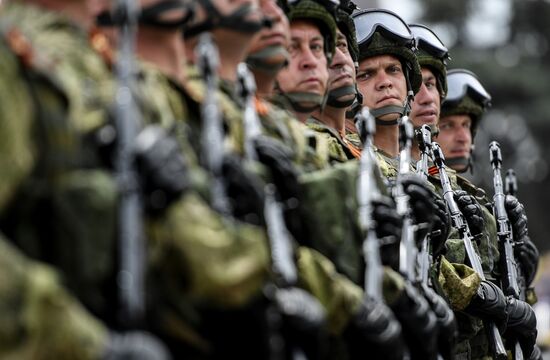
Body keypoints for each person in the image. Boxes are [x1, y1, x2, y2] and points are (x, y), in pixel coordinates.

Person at [438, 69, 541, 359]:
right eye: (448, 126)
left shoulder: (477, 199)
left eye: (466, 126)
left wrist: (522, 271)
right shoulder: (421, 187)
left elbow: (509, 292)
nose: (461, 136)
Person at [307, 0, 363, 162]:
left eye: (342, 45)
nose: (340, 59)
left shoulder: (370, 155)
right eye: (320, 48)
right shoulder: (307, 146)